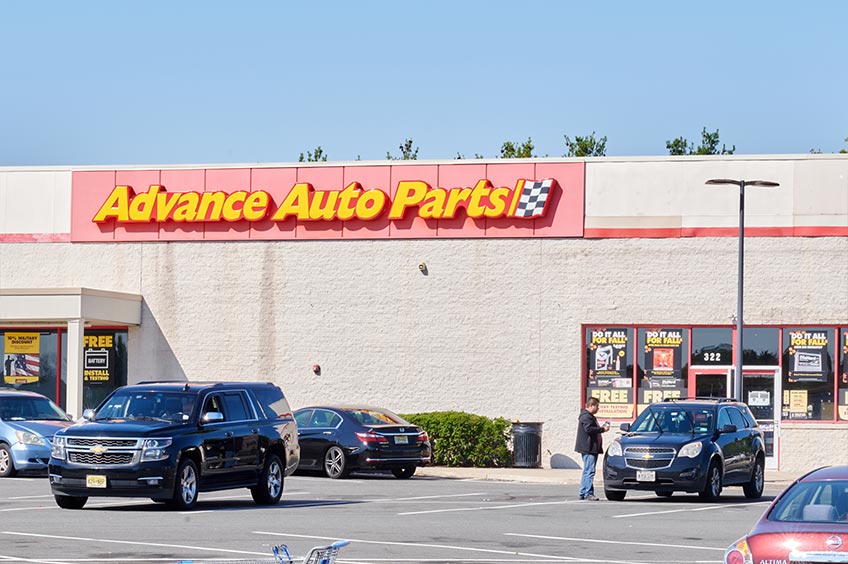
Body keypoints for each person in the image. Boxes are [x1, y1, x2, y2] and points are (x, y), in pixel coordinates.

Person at [574, 396, 610, 501]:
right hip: (588, 447)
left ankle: (583, 491)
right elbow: (588, 429)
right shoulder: (586, 416)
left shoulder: (587, 416)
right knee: (589, 471)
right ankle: (588, 493)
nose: (598, 409)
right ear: (591, 405)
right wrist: (602, 429)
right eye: (597, 406)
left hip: (589, 447)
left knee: (587, 470)